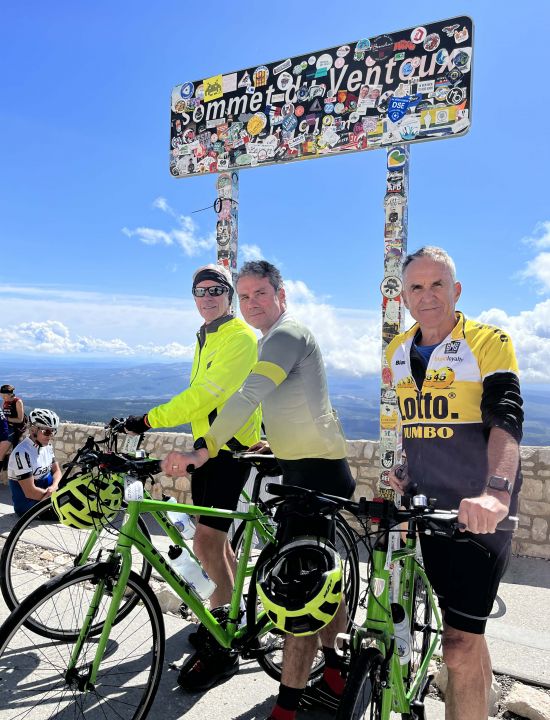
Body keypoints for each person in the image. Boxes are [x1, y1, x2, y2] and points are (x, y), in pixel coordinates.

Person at [163, 260, 355, 718]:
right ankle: (336, 668)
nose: (251, 304)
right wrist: (274, 438)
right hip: (301, 468)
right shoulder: (272, 339)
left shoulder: (286, 335)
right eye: (245, 296)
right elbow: (286, 401)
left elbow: (248, 395)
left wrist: (203, 448)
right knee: (318, 581)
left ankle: (294, 702)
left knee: (301, 594)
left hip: (318, 476)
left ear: (281, 295)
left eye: (259, 294)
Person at [385, 246, 523, 720]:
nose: (427, 296)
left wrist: (497, 491)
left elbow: (506, 418)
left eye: (437, 284)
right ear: (404, 296)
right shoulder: (398, 350)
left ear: (456, 290)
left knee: (458, 646)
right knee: (467, 633)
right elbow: (413, 423)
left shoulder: (488, 341)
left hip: (480, 511)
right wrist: (405, 468)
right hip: (426, 507)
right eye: (417, 287)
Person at [124, 264, 261, 613]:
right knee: (213, 540)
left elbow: (204, 395)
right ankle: (232, 612)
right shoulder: (206, 335)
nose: (207, 297)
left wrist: (147, 420)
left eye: (216, 290)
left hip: (227, 450)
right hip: (207, 449)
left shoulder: (239, 337)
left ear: (229, 295)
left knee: (205, 542)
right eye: (200, 291)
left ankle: (221, 620)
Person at [8, 408, 62, 516]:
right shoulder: (22, 453)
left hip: (47, 497)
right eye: (46, 431)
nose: (50, 436)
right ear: (33, 430)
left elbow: (57, 471)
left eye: (53, 431)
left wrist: (54, 486)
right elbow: (30, 492)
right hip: (29, 506)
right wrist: (56, 498)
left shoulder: (46, 446)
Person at [1, 384, 27, 450]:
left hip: (17, 428)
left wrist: (7, 419)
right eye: (1, 396)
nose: (3, 398)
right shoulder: (5, 401)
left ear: (10, 394)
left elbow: (20, 420)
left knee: (15, 447)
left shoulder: (18, 402)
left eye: (4, 396)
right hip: (7, 426)